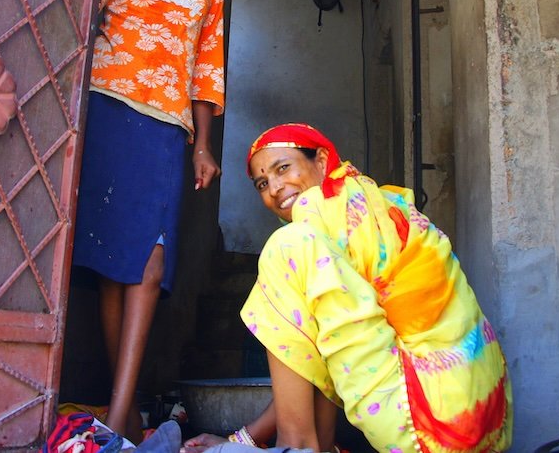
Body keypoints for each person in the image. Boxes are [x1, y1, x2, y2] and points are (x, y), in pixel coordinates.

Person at [184, 123, 511, 453]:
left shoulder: (320, 213)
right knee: (317, 301)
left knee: (287, 245)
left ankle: (295, 445)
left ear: (322, 160)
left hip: (428, 422)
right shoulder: (372, 201)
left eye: (283, 168)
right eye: (262, 183)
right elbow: (319, 350)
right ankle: (315, 445)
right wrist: (245, 438)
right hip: (478, 426)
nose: (275, 188)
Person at [73, 0, 225, 443]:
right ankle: (129, 408)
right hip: (110, 114)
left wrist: (203, 146)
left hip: (167, 129)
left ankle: (115, 417)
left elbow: (207, 68)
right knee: (114, 267)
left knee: (150, 261)